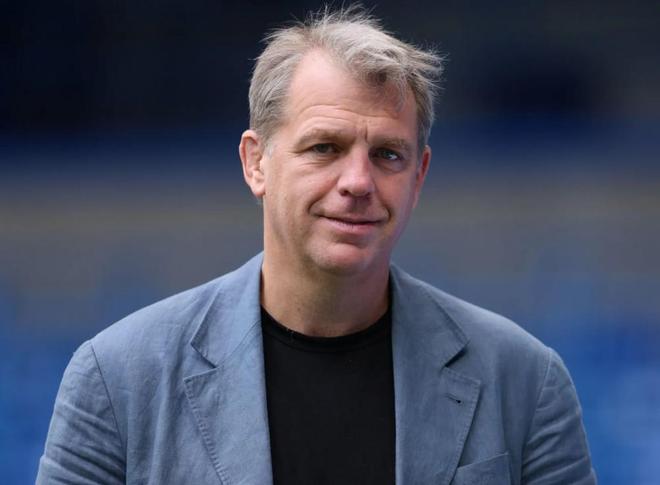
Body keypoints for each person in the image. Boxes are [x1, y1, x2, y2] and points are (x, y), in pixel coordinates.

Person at [37, 7, 596, 484]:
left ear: (419, 177)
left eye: (388, 155)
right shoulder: (118, 380)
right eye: (325, 147)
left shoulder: (524, 381)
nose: (358, 182)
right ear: (256, 162)